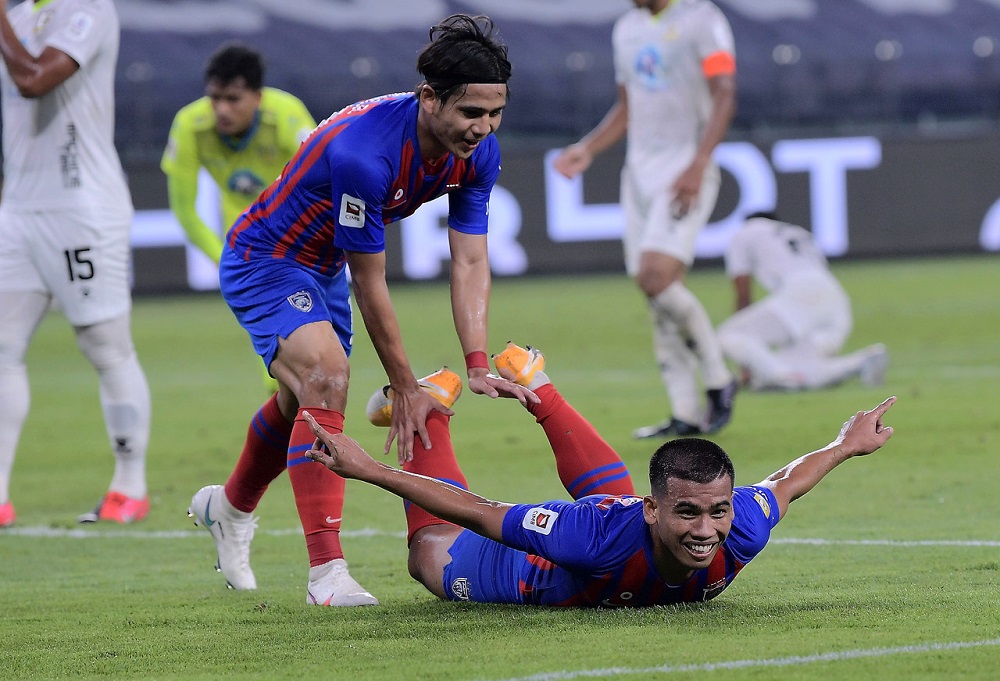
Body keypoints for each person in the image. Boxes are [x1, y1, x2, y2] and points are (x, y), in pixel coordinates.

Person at [186, 14, 536, 606]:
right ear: (429, 98)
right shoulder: (365, 153)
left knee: (301, 401)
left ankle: (230, 506)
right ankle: (327, 575)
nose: (483, 128)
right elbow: (370, 281)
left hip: (322, 267)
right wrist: (405, 386)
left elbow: (471, 259)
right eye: (471, 112)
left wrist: (476, 362)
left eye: (495, 113)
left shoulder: (477, 153)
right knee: (327, 376)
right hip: (267, 258)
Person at [304, 342, 896, 607]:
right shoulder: (585, 537)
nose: (706, 530)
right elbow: (481, 513)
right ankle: (430, 409)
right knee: (429, 551)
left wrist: (844, 445)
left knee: (623, 513)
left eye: (717, 511)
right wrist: (371, 470)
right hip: (530, 573)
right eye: (689, 512)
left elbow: (787, 482)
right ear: (655, 509)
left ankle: (539, 387)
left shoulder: (742, 526)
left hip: (620, 531)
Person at [552, 0, 738, 440]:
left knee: (655, 277)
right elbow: (628, 106)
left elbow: (725, 92)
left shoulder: (702, 19)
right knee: (656, 292)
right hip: (637, 175)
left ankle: (718, 377)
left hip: (685, 168)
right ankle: (685, 412)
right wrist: (588, 148)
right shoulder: (626, 28)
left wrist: (699, 163)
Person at [0, 0, 151, 527]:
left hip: (81, 209)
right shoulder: (19, 16)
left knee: (104, 345)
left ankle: (129, 487)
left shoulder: (87, 8)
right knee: (2, 348)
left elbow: (34, 79)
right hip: (18, 208)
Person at [161, 43, 318, 393]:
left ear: (258, 97)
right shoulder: (189, 125)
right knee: (277, 357)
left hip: (300, 233)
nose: (221, 109)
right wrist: (227, 261)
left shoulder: (288, 116)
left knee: (318, 355)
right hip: (246, 240)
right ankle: (290, 420)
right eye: (214, 98)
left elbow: (323, 182)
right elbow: (185, 210)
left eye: (233, 99)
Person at [717, 212, 889, 391]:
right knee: (794, 366)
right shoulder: (798, 233)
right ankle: (860, 361)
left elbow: (743, 296)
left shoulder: (746, 231)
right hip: (836, 298)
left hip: (801, 294)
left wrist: (746, 364)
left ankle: (781, 377)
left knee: (729, 335)